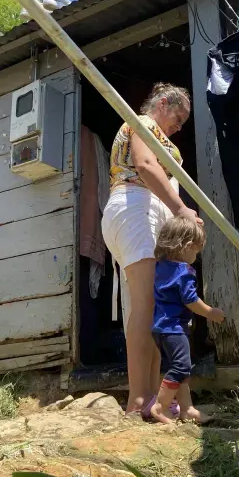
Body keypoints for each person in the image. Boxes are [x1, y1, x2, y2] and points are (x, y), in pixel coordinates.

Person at [101, 82, 202, 415]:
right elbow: (144, 165)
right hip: (135, 208)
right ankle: (138, 400)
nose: (179, 126)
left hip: (148, 214)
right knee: (146, 304)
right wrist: (181, 208)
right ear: (162, 103)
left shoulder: (165, 140)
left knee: (157, 308)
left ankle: (157, 399)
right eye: (178, 116)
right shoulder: (142, 124)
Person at [149, 217, 225, 424]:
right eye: (196, 252)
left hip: (159, 329)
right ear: (187, 247)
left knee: (177, 369)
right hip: (174, 329)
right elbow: (190, 300)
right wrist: (210, 312)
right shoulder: (184, 272)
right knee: (181, 367)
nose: (195, 257)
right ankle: (159, 407)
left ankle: (187, 409)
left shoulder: (161, 266)